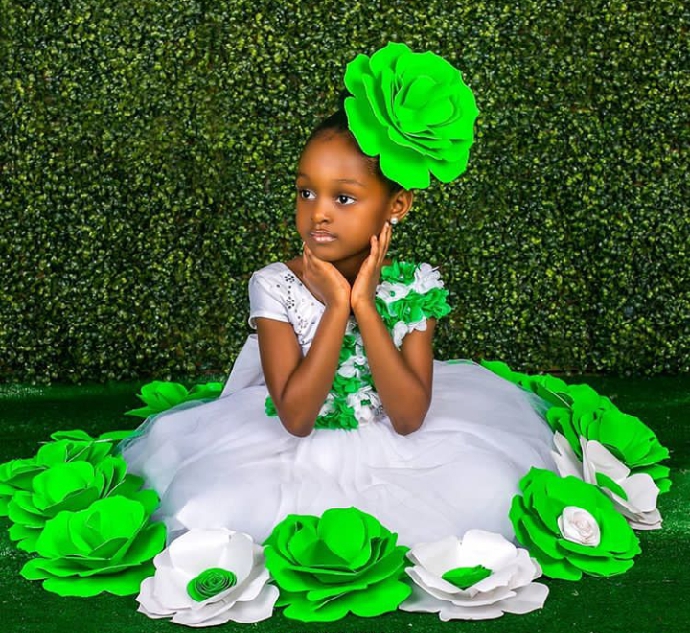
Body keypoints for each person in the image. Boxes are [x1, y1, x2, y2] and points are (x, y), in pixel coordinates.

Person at [118, 42, 560, 548]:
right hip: (284, 445)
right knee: (220, 505)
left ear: (397, 205)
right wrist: (335, 308)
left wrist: (365, 306)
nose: (319, 212)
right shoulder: (274, 284)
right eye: (306, 191)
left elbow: (408, 418)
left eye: (343, 197)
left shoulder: (414, 287)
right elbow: (296, 418)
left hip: (402, 444)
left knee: (485, 490)